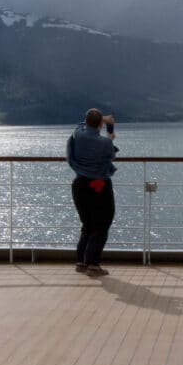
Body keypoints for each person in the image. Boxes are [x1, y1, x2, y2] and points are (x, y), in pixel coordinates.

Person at [66, 108, 118, 276]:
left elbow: (82, 124)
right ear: (100, 124)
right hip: (98, 185)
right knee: (102, 224)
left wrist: (101, 119)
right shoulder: (105, 143)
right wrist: (109, 138)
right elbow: (110, 157)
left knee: (87, 224)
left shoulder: (78, 134)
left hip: (79, 184)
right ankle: (93, 265)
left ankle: (81, 262)